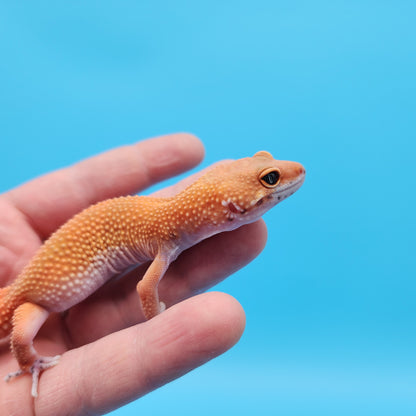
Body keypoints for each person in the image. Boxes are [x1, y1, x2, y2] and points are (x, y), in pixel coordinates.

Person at [0, 133, 267, 415]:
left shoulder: (168, 225)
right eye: (270, 179)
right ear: (232, 209)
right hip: (31, 300)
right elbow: (144, 288)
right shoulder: (167, 239)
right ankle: (29, 365)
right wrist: (156, 321)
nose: (294, 174)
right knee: (22, 336)